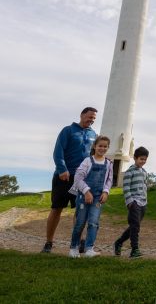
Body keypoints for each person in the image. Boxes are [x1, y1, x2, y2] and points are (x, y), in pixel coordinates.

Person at [41, 107, 98, 254]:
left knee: (80, 211)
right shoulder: (68, 130)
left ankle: (77, 242)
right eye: (89, 116)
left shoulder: (94, 134)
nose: (91, 120)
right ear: (82, 115)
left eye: (94, 118)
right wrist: (62, 169)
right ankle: (49, 242)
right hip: (64, 176)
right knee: (56, 209)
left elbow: (94, 156)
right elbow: (58, 151)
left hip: (82, 179)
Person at [68, 135, 113, 258]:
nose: (102, 148)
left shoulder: (109, 163)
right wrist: (87, 191)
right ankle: (74, 248)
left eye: (105, 146)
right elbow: (78, 178)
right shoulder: (87, 161)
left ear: (108, 148)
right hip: (84, 196)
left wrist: (106, 192)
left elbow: (109, 180)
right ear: (95, 146)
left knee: (93, 223)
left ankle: (89, 249)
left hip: (98, 198)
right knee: (80, 222)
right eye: (100, 146)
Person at [113, 146, 149, 258]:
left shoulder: (144, 172)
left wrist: (145, 200)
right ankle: (134, 249)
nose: (143, 161)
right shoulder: (130, 172)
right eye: (141, 159)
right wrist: (130, 202)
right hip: (134, 202)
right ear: (135, 158)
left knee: (134, 226)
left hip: (143, 203)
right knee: (135, 226)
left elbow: (145, 186)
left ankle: (119, 242)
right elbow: (126, 187)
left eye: (145, 159)